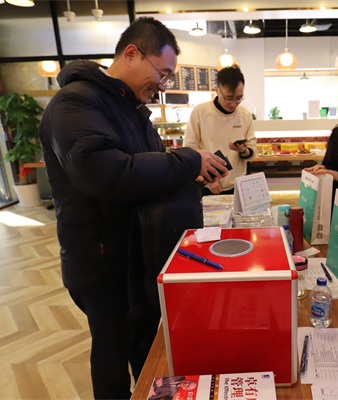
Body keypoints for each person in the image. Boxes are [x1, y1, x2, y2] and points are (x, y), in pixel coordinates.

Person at [39, 17, 228, 399]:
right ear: (131, 53)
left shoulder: (132, 109)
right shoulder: (73, 103)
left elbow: (148, 172)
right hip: (102, 261)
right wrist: (188, 160)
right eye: (163, 73)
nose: (164, 85)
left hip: (137, 252)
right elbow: (107, 174)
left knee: (147, 344)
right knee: (111, 358)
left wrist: (192, 175)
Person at [184, 65, 257, 196]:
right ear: (217, 90)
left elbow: (252, 151)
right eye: (229, 98)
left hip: (238, 186)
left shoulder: (245, 115)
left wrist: (243, 151)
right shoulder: (200, 112)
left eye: (239, 98)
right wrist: (208, 181)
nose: (233, 104)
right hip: (207, 186)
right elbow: (190, 151)